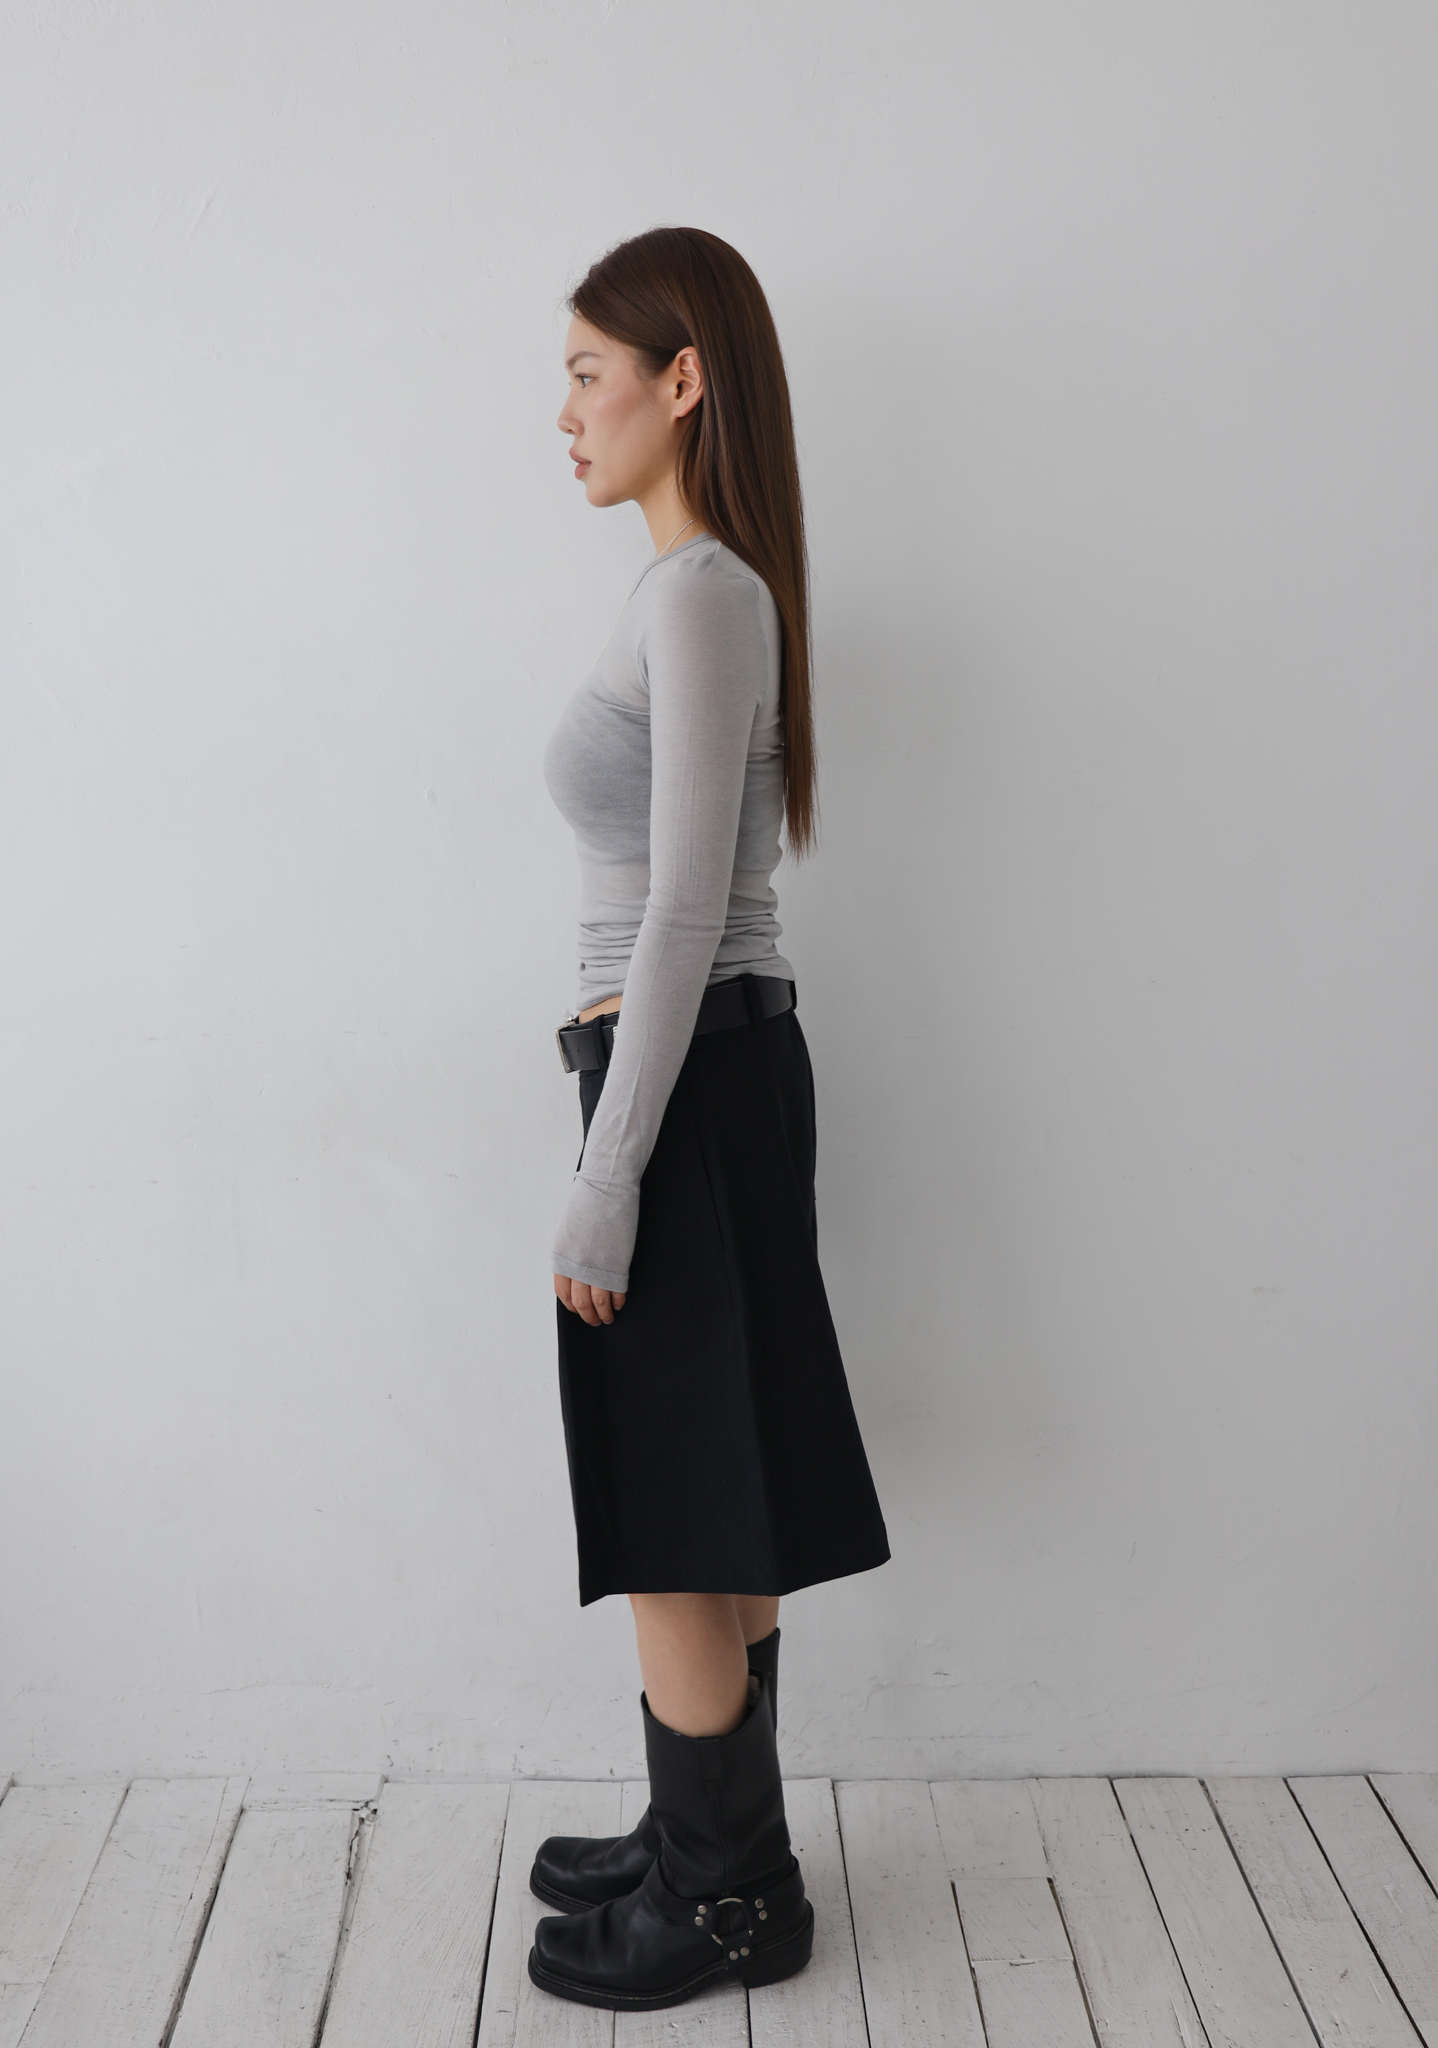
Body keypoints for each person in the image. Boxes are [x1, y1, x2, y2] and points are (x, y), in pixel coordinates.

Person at [528, 226, 890, 2014]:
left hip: (683, 1081)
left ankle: (730, 1899)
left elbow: (681, 914)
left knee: (675, 1492)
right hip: (713, 1075)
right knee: (713, 1478)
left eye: (589, 375)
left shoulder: (698, 593)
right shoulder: (702, 589)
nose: (565, 413)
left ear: (684, 382)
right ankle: (705, 1838)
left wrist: (609, 1177)